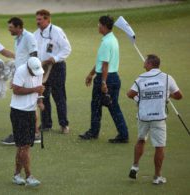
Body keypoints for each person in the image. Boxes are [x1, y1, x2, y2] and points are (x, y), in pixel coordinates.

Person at [127, 54, 182, 184]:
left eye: (145, 61)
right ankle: (157, 177)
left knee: (141, 140)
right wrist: (167, 96)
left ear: (150, 64)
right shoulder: (167, 78)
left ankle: (135, 166)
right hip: (158, 117)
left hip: (143, 116)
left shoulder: (141, 78)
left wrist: (140, 97)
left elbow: (130, 94)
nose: (144, 63)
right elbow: (179, 95)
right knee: (159, 146)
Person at [79, 15, 129, 143]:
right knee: (110, 106)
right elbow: (101, 63)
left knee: (99, 106)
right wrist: (91, 74)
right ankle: (121, 134)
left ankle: (95, 132)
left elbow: (105, 65)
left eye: (99, 24)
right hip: (113, 77)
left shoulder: (106, 42)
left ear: (104, 26)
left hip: (107, 78)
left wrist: (103, 82)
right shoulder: (112, 39)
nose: (98, 26)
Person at [1, 17, 41, 145]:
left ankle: (31, 134)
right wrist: (15, 77)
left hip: (27, 75)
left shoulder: (28, 37)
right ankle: (32, 133)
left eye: (11, 27)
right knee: (25, 104)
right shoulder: (17, 38)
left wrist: (29, 75)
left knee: (27, 104)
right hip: (20, 75)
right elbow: (20, 59)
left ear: (18, 27)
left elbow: (34, 55)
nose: (9, 30)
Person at [34, 9, 72, 134]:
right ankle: (46, 124)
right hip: (41, 69)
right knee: (43, 96)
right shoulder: (35, 34)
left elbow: (67, 49)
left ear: (47, 19)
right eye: (37, 19)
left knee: (59, 96)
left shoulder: (56, 31)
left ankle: (64, 124)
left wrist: (54, 58)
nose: (37, 22)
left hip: (56, 67)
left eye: (40, 19)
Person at [10, 57, 44, 186]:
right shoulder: (20, 71)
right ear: (28, 67)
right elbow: (16, 90)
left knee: (24, 146)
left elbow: (40, 89)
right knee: (24, 146)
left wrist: (40, 101)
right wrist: (34, 89)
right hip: (18, 112)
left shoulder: (38, 71)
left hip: (30, 111)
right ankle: (29, 176)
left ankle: (17, 175)